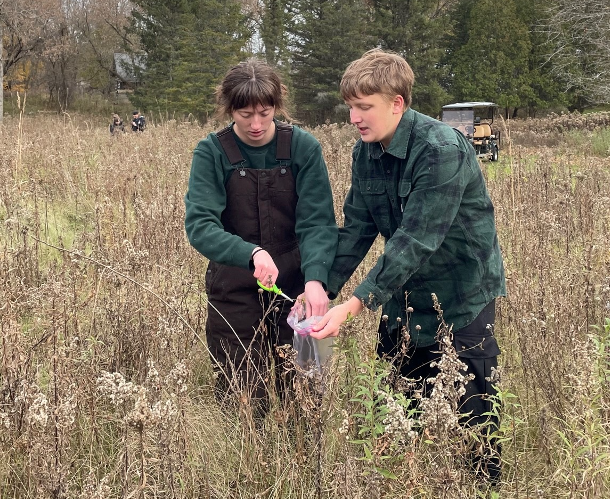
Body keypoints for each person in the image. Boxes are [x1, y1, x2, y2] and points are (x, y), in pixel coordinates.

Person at [306, 49, 506, 478]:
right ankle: (410, 479)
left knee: (473, 410)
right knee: (399, 404)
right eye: (350, 107)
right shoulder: (365, 152)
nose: (354, 118)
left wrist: (354, 306)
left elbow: (416, 240)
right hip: (404, 294)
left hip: (461, 294)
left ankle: (483, 485)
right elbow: (357, 227)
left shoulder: (440, 149)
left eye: (364, 107)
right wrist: (322, 286)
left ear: (397, 103)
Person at [185, 59, 337, 415]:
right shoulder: (211, 152)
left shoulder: (303, 148)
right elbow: (201, 225)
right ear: (229, 109)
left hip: (296, 288)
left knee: (304, 398)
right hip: (234, 287)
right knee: (241, 399)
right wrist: (250, 253)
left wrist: (316, 280)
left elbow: (318, 223)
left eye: (264, 114)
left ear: (277, 106)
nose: (255, 124)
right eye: (245, 114)